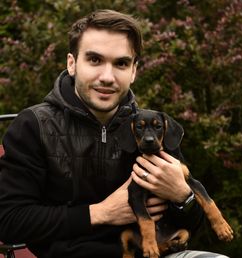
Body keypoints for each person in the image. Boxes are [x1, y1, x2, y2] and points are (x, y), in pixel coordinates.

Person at [0, 9, 229, 258]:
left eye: (121, 63)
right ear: (72, 63)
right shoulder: (34, 125)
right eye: (95, 60)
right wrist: (100, 213)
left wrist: (181, 196)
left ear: (133, 71)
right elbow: (9, 220)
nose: (107, 77)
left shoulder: (150, 130)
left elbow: (188, 225)